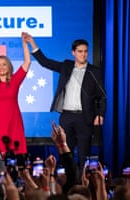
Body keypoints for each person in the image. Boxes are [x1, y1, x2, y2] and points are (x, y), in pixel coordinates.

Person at [24, 33, 107, 171]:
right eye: (80, 51)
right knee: (65, 154)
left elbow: (102, 96)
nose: (83, 54)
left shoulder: (94, 72)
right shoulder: (66, 67)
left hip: (85, 118)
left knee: (83, 155)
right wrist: (32, 43)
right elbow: (45, 62)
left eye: (86, 51)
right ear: (73, 52)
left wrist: (101, 115)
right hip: (67, 116)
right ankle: (66, 184)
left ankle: (82, 186)